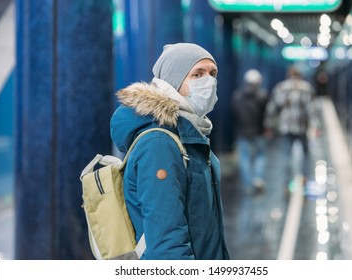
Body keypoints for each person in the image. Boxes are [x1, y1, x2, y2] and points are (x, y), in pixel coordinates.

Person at [110, 43, 230, 260]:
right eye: (197, 74)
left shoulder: (191, 132)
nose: (209, 82)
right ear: (173, 82)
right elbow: (166, 244)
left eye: (213, 73)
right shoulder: (159, 144)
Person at [264, 66, 320, 191]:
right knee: (305, 154)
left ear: (288, 75)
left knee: (286, 155)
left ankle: (286, 182)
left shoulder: (281, 88)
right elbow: (312, 110)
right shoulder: (306, 88)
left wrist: (268, 126)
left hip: (285, 128)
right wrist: (316, 127)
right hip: (302, 127)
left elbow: (272, 108)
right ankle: (304, 177)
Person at [231, 69, 269, 194]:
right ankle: (258, 179)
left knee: (244, 158)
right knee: (260, 155)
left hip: (242, 131)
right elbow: (266, 114)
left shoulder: (237, 96)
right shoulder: (263, 96)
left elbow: (234, 113)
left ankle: (248, 184)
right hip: (258, 131)